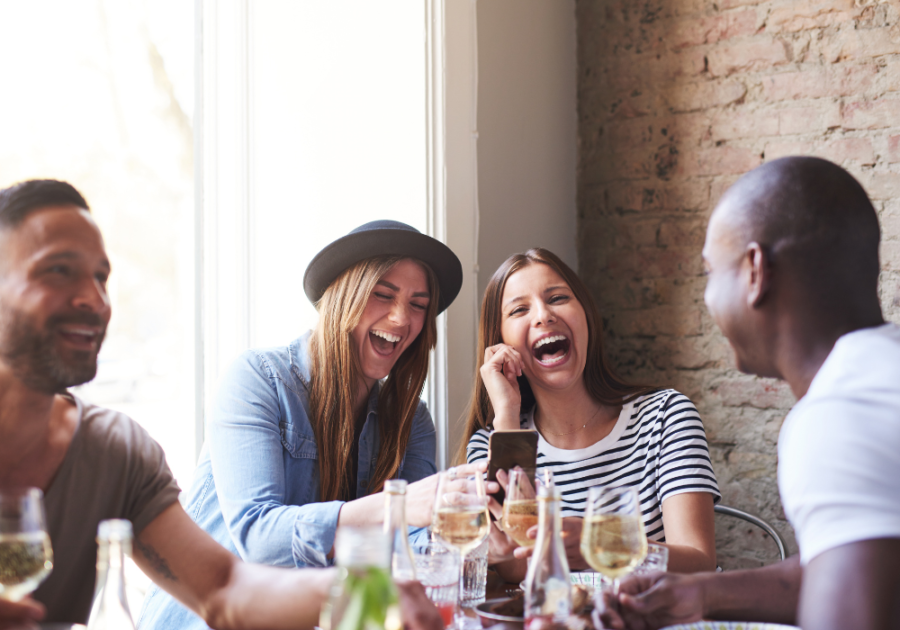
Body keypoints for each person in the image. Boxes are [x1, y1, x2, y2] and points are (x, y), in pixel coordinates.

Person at [0, 179, 443, 630]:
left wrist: (371, 593)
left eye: (102, 278)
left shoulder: (117, 452)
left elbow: (224, 588)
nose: (95, 300)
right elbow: (257, 540)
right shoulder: (261, 379)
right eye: (57, 270)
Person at [140, 219, 489, 629]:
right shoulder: (257, 379)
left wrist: (481, 542)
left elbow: (409, 553)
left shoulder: (411, 420)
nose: (400, 318)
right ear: (342, 297)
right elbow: (258, 538)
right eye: (382, 294)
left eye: (418, 304)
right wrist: (396, 507)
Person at [601, 157, 900, 630]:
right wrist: (696, 593)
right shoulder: (883, 371)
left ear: (755, 271)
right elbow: (854, 566)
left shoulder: (840, 416)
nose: (706, 299)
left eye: (709, 273)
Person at [460, 248, 720, 581]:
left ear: (585, 316)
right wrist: (507, 415)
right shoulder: (493, 442)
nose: (543, 315)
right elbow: (516, 567)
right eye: (520, 309)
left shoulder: (666, 416)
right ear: (502, 343)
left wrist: (594, 544)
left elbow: (699, 561)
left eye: (557, 298)